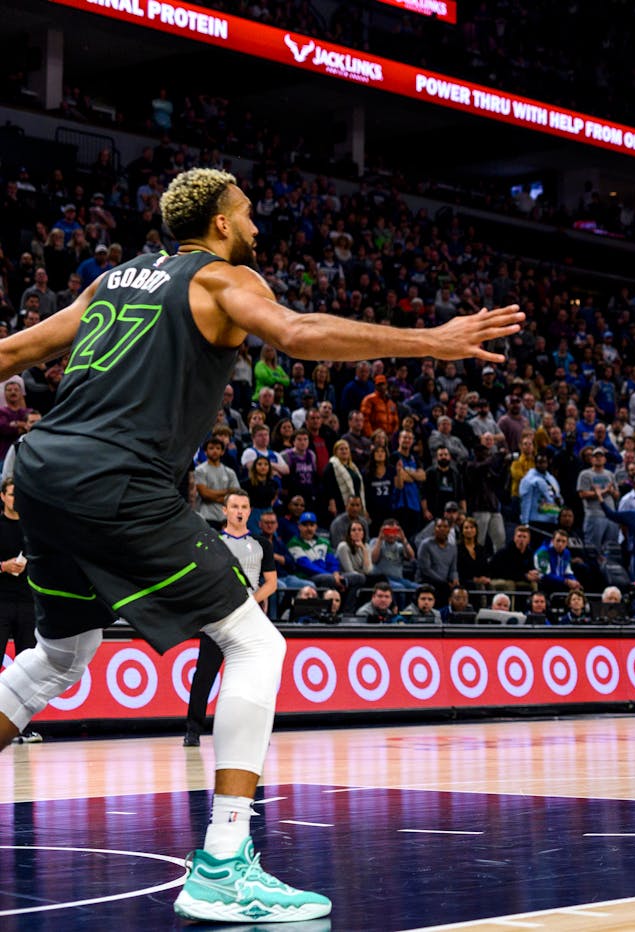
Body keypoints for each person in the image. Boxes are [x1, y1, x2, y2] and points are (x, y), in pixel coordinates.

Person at [0, 167, 520, 922]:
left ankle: (225, 860)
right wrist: (431, 343)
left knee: (60, 656)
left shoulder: (113, 281)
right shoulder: (219, 279)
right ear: (218, 221)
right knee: (257, 646)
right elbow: (297, 333)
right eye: (245, 212)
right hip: (115, 479)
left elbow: (13, 354)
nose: (255, 225)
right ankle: (223, 864)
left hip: (40, 471)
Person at [184, 491, 276, 748]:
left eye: (244, 507)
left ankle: (255, 730)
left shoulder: (261, 544)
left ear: (249, 511)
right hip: (218, 619)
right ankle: (192, 730)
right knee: (205, 675)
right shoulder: (211, 540)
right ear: (224, 510)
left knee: (253, 679)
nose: (239, 511)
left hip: (248, 619)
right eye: (234, 506)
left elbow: (271, 583)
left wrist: (251, 602)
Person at [0, 478, 39, 743]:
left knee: (27, 669)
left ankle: (22, 728)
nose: (16, 499)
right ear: (3, 496)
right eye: (12, 494)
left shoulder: (31, 527)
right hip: (1, 602)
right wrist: (2, 566)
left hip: (27, 603)